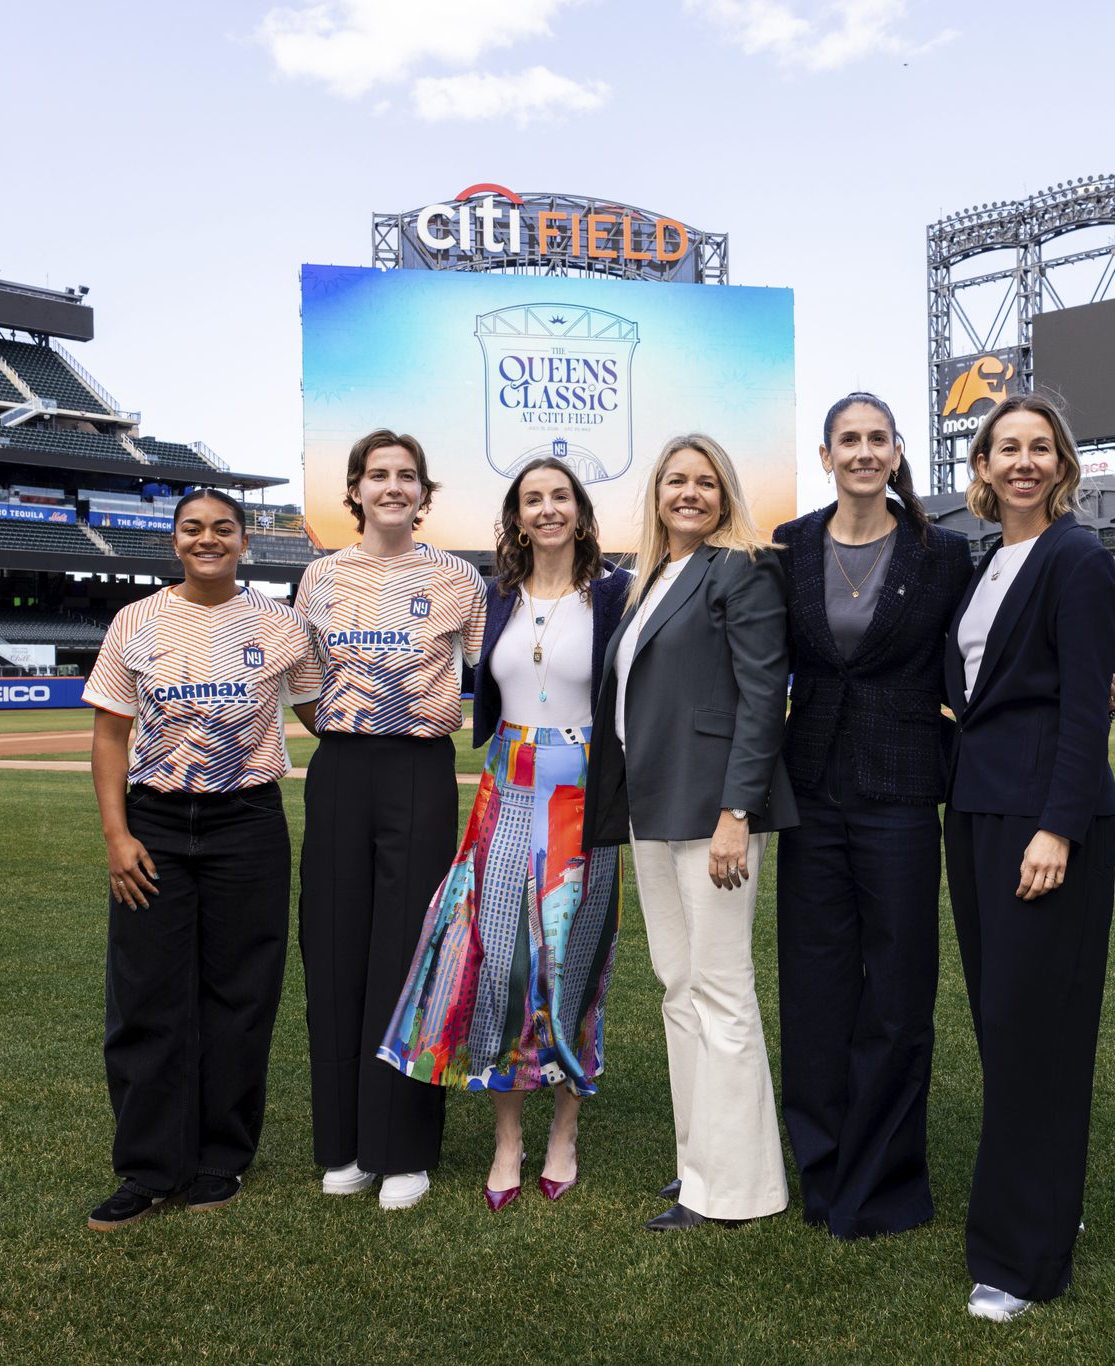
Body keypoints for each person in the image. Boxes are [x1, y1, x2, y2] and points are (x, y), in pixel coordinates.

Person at [378, 457, 630, 1209]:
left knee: (572, 967)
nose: (547, 509)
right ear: (517, 518)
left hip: (588, 791)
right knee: (500, 966)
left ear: (581, 513)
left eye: (560, 497)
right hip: (506, 785)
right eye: (532, 500)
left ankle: (565, 1132)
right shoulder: (494, 600)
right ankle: (508, 1139)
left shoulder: (619, 594)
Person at [80, 488, 322, 1230]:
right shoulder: (136, 620)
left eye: (223, 528)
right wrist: (119, 838)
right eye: (193, 529)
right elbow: (110, 737)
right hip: (155, 821)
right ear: (174, 540)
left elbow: (320, 713)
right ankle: (149, 1168)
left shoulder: (283, 625)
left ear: (244, 541)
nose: (207, 539)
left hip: (246, 823)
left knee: (240, 997)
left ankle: (221, 1158)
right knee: (147, 998)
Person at [772, 393, 973, 1240]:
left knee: (896, 994)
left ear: (896, 454)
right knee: (815, 992)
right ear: (826, 456)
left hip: (898, 793)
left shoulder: (945, 553)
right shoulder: (789, 547)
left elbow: (977, 658)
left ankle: (884, 1181)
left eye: (876, 439)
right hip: (810, 791)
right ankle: (822, 1173)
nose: (862, 452)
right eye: (847, 440)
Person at [585, 433, 799, 1232]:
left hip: (714, 814)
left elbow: (758, 695)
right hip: (652, 806)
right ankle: (699, 1171)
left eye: (706, 482)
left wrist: (736, 814)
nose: (690, 493)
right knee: (680, 990)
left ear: (725, 493)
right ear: (656, 493)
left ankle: (741, 1189)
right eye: (676, 480)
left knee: (721, 991)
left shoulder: (742, 566)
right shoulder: (648, 580)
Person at [944, 393, 1115, 1321]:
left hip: (1044, 824)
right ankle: (1046, 1206)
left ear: (1062, 464)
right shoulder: (988, 562)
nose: (1021, 461)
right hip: (976, 813)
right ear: (981, 465)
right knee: (1007, 1030)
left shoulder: (1079, 558)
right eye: (1005, 447)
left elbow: (1086, 705)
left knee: (1033, 1034)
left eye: (1038, 447)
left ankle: (1016, 1262)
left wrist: (1059, 827)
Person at [293, 429, 485, 1212]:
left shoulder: (458, 579)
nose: (394, 487)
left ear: (423, 492)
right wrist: (348, 726)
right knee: (334, 951)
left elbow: (495, 670)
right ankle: (343, 1146)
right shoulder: (319, 577)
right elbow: (304, 684)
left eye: (408, 476)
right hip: (340, 766)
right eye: (380, 476)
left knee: (410, 955)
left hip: (418, 769)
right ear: (357, 489)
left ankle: (403, 1149)